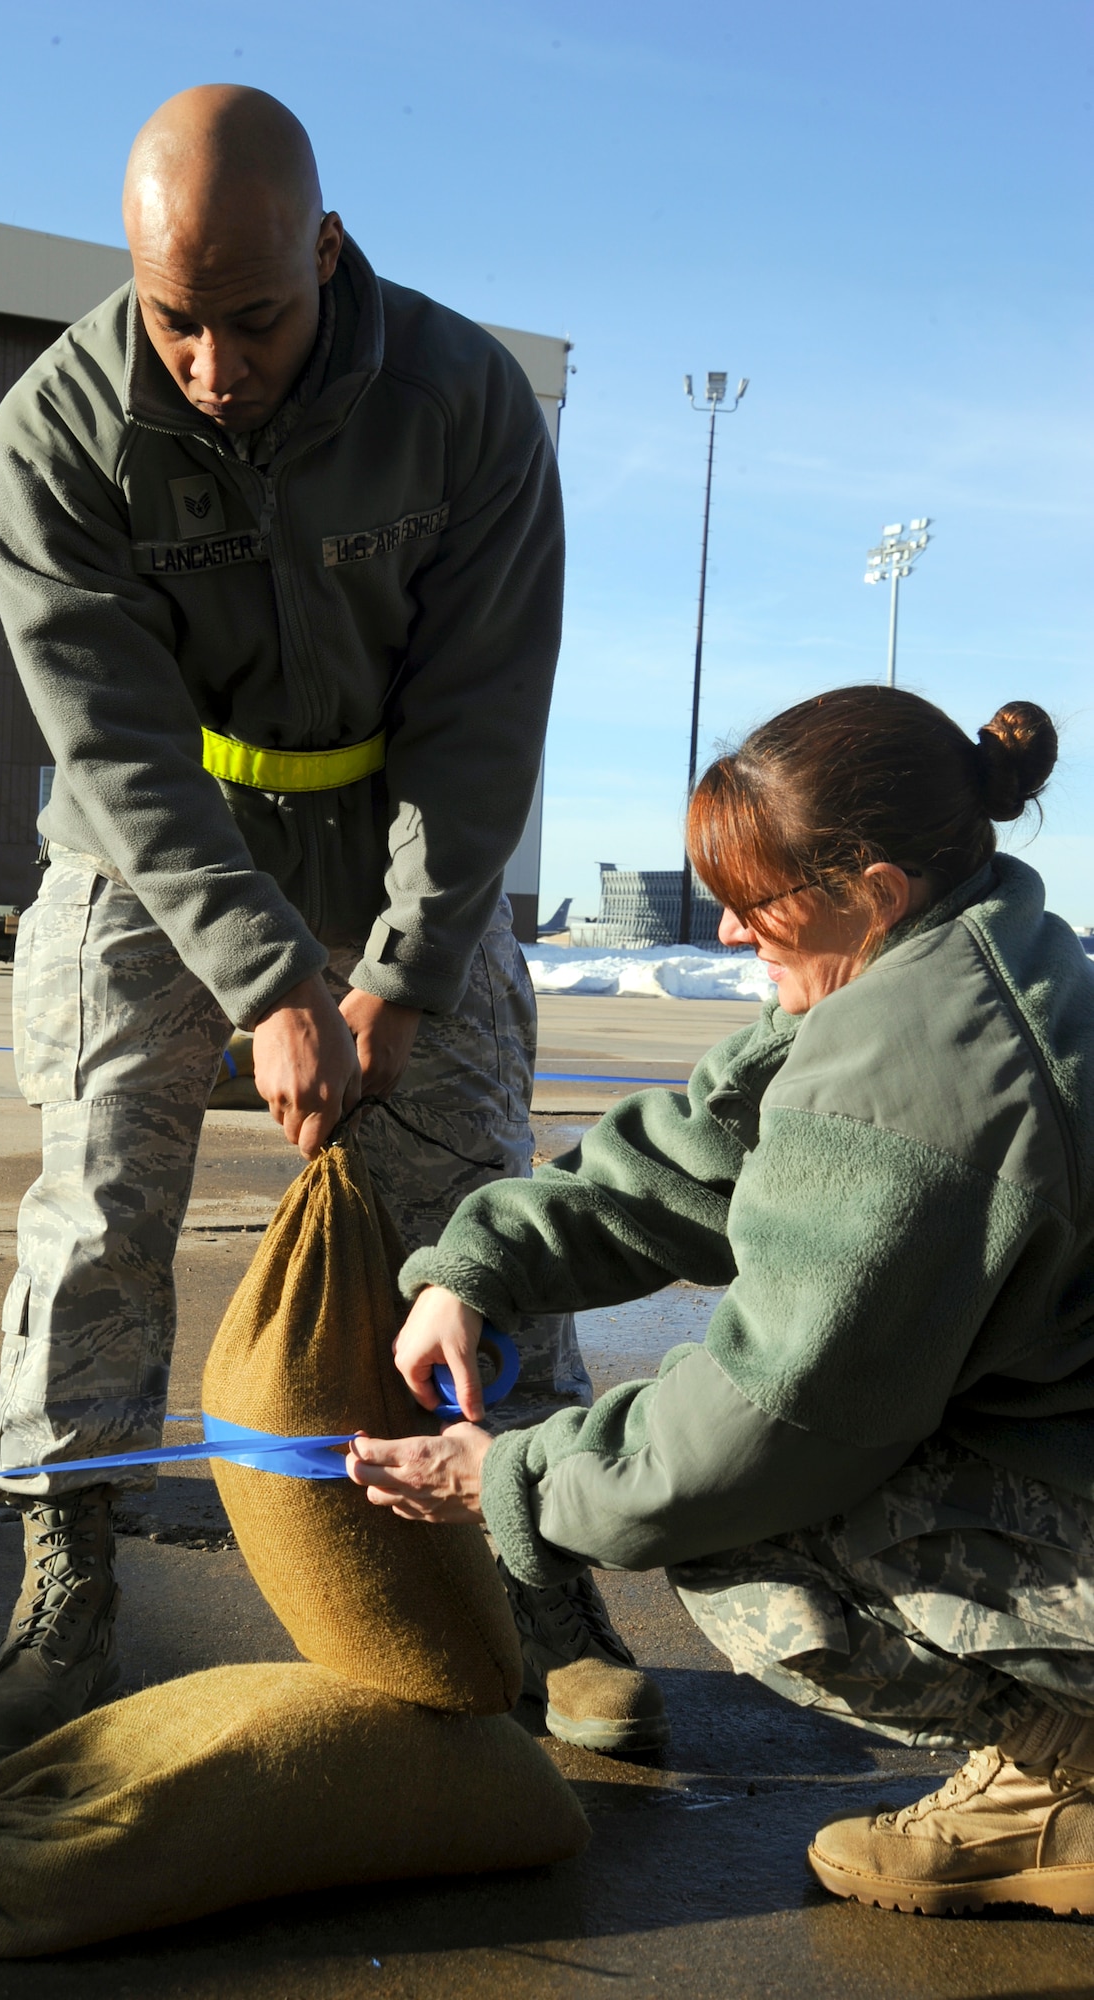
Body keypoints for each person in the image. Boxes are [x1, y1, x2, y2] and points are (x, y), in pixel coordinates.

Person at [0, 84, 659, 1777]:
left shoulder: (462, 405)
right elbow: (114, 747)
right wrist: (267, 984)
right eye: (173, 320)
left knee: (486, 1190)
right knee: (97, 1191)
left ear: (327, 252)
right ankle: (67, 1571)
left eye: (253, 317)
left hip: (399, 826)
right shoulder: (54, 437)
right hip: (159, 842)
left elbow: (481, 722)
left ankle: (536, 1565)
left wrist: (401, 980)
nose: (211, 363)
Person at [348, 685, 1094, 1918]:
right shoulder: (971, 958)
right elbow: (691, 1161)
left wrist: (511, 1479)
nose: (736, 934)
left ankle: (1061, 1769)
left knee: (718, 1528)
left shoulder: (915, 1080)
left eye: (758, 903)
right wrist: (477, 1263)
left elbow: (751, 1434)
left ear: (876, 888)